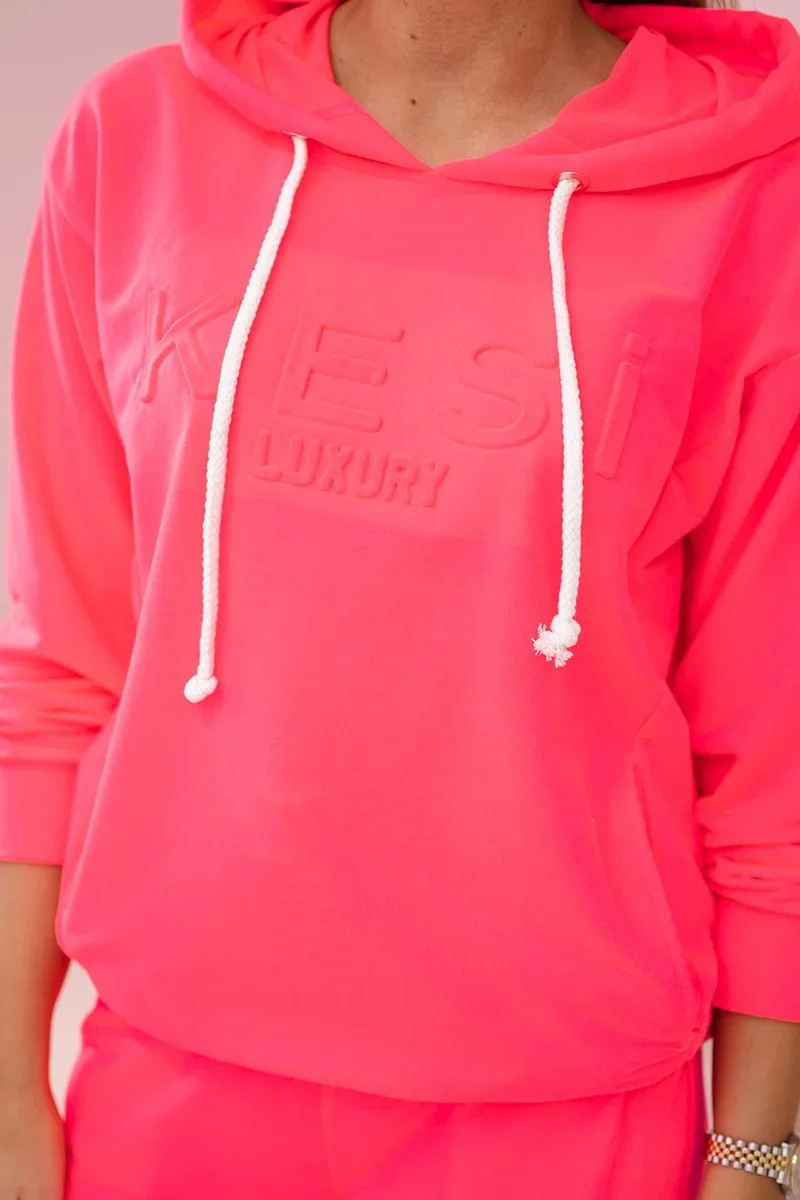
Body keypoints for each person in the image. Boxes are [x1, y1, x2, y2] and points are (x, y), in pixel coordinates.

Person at [1, 0, 800, 1195]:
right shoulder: (140, 133)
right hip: (167, 1087)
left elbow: (775, 746)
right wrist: (7, 1082)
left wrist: (752, 1156)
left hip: (564, 1107)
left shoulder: (756, 195)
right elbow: (60, 657)